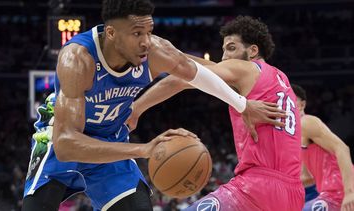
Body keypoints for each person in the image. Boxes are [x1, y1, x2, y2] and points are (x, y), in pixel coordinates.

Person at [21, 1, 285, 210]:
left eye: (149, 31)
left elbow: (196, 73)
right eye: (137, 33)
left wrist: (242, 104)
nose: (146, 41)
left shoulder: (155, 50)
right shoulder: (78, 58)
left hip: (112, 138)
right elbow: (67, 144)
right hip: (61, 139)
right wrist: (145, 149)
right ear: (111, 33)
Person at [128, 16, 305, 210]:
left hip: (256, 188)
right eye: (223, 50)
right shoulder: (280, 78)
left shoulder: (246, 70)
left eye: (231, 48)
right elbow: (196, 68)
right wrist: (172, 57)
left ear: (253, 50)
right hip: (293, 194)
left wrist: (135, 110)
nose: (224, 57)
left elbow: (180, 79)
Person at [292, 84, 354, 211]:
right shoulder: (297, 135)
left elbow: (342, 149)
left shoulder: (306, 122)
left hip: (340, 192)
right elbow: (307, 178)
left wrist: (350, 192)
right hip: (329, 193)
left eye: (291, 101)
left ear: (302, 105)